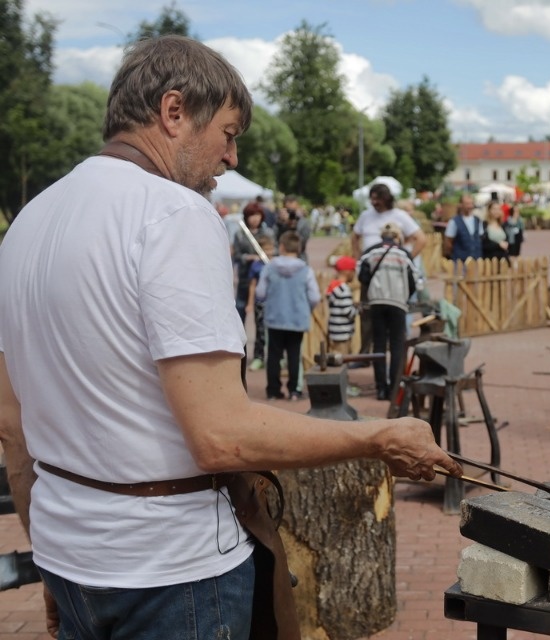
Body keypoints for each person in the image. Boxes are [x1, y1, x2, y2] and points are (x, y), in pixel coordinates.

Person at [0, 35, 460, 639]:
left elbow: (11, 424)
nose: (232, 157)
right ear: (173, 111)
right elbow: (221, 437)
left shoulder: (30, 220)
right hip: (170, 566)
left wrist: (53, 556)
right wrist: (378, 437)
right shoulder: (174, 213)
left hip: (72, 554)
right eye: (228, 131)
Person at [256, 231, 320, 401]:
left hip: (275, 316)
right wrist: (307, 308)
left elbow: (260, 293)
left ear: (282, 247)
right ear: (298, 249)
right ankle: (294, 389)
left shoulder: (269, 267)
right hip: (297, 318)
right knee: (294, 354)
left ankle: (273, 389)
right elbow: (314, 297)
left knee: (274, 355)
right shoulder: (306, 270)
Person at [359, 222, 418, 401]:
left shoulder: (371, 252)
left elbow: (362, 276)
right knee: (397, 345)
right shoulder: (404, 254)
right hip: (398, 303)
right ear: (397, 236)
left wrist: (373, 290)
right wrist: (404, 294)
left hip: (376, 302)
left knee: (378, 345)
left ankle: (380, 389)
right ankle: (394, 388)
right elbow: (413, 280)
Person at [234, 201, 276, 324]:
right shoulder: (240, 234)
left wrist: (266, 255)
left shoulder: (268, 233)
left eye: (257, 215)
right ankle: (241, 344)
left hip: (262, 279)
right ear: (246, 217)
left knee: (261, 318)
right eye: (252, 215)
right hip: (245, 278)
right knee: (240, 313)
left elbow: (276, 251)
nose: (255, 218)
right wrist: (249, 257)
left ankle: (260, 343)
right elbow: (237, 255)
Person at [246, 235, 275, 371]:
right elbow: (253, 285)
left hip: (275, 302)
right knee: (260, 331)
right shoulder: (256, 266)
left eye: (271, 249)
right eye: (266, 249)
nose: (269, 252)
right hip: (261, 303)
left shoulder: (276, 264)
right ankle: (259, 357)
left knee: (275, 332)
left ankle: (277, 358)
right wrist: (250, 303)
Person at [327, 256, 359, 355]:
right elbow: (348, 312)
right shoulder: (344, 290)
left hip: (334, 331)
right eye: (353, 271)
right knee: (342, 360)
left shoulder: (334, 287)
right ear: (347, 272)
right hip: (343, 332)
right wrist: (357, 309)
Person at [443, 193, 483, 261]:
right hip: (460, 261)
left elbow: (479, 238)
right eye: (467, 204)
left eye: (471, 203)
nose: (470, 206)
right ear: (460, 205)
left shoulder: (478, 220)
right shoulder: (454, 221)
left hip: (476, 259)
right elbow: (448, 242)